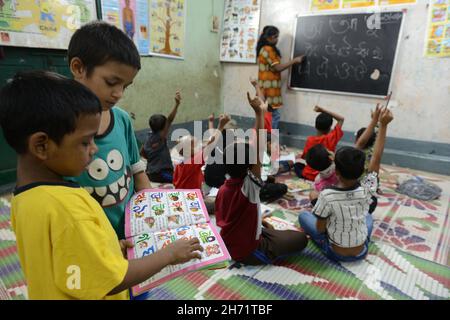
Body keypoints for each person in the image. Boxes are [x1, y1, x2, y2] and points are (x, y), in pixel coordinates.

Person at [0, 71, 203, 300]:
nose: (94, 149)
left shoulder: (24, 199)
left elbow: (64, 260)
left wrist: (107, 247)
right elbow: (112, 281)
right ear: (42, 146)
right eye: (85, 142)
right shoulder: (68, 210)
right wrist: (170, 254)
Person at [67, 21, 151, 240]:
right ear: (79, 68)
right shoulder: (60, 128)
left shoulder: (121, 120)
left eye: (125, 86)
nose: (118, 93)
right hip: (91, 242)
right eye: (112, 82)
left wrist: (152, 207)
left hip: (130, 230)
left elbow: (137, 171)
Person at [215, 92, 308, 265]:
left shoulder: (222, 189)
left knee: (272, 228)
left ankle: (261, 229)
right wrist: (259, 113)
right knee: (301, 239)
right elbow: (259, 146)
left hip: (230, 241)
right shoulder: (250, 186)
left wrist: (259, 113)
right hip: (249, 251)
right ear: (250, 166)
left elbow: (230, 218)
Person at [298, 107, 394, 262]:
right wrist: (382, 125)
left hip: (335, 252)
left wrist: (378, 122)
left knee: (303, 216)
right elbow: (376, 158)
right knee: (368, 217)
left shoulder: (326, 194)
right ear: (363, 170)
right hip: (361, 251)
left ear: (337, 171)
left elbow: (321, 229)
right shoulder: (368, 188)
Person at [256, 25, 305, 130]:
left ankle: (266, 142)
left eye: (277, 37)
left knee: (267, 117)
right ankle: (270, 143)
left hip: (268, 90)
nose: (277, 39)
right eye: (275, 37)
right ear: (268, 38)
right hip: (268, 91)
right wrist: (294, 61)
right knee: (273, 117)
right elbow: (277, 68)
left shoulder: (265, 49)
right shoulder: (267, 49)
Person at [172, 114, 231, 190]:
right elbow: (210, 145)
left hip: (183, 193)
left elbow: (208, 143)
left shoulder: (180, 163)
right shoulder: (193, 162)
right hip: (190, 196)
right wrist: (220, 126)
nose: (199, 146)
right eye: (195, 145)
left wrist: (211, 122)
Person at [294, 105, 345, 181]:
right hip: (325, 175)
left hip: (309, 175)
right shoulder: (331, 138)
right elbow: (341, 119)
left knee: (297, 164)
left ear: (315, 125)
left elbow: (305, 157)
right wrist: (323, 110)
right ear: (330, 127)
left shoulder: (310, 140)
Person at [141, 91, 181, 184]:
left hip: (150, 173)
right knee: (179, 180)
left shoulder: (149, 136)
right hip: (162, 174)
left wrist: (153, 158)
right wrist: (177, 104)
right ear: (163, 129)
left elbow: (142, 152)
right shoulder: (161, 137)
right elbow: (170, 119)